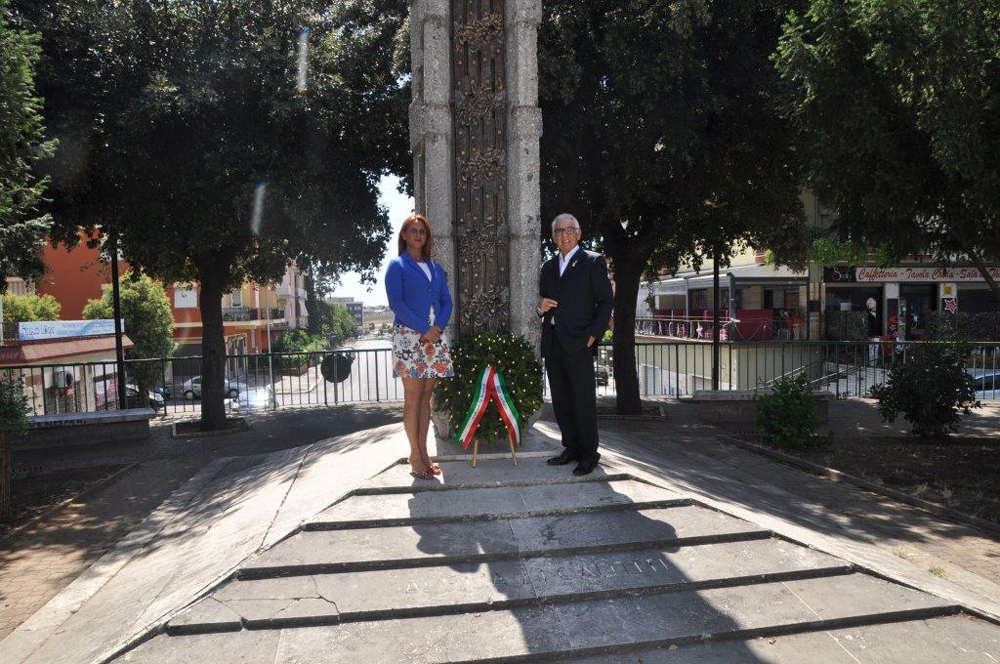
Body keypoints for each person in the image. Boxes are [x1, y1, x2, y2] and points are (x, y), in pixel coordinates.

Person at [537, 213, 614, 475]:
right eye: (558, 231)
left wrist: (594, 334)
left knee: (582, 401)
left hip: (580, 342)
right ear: (553, 237)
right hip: (554, 342)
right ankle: (570, 447)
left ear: (579, 233)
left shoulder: (592, 262)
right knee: (561, 401)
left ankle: (589, 454)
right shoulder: (547, 267)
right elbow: (543, 302)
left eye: (569, 230)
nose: (564, 235)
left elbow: (605, 302)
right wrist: (539, 307)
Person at [385, 214, 455, 480]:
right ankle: (414, 454)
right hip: (409, 336)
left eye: (422, 232)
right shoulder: (397, 266)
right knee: (413, 397)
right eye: (413, 230)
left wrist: (438, 327)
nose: (417, 235)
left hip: (434, 338)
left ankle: (424, 454)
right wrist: (423, 329)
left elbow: (446, 301)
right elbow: (397, 304)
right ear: (404, 235)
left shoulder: (436, 268)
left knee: (427, 397)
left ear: (426, 237)